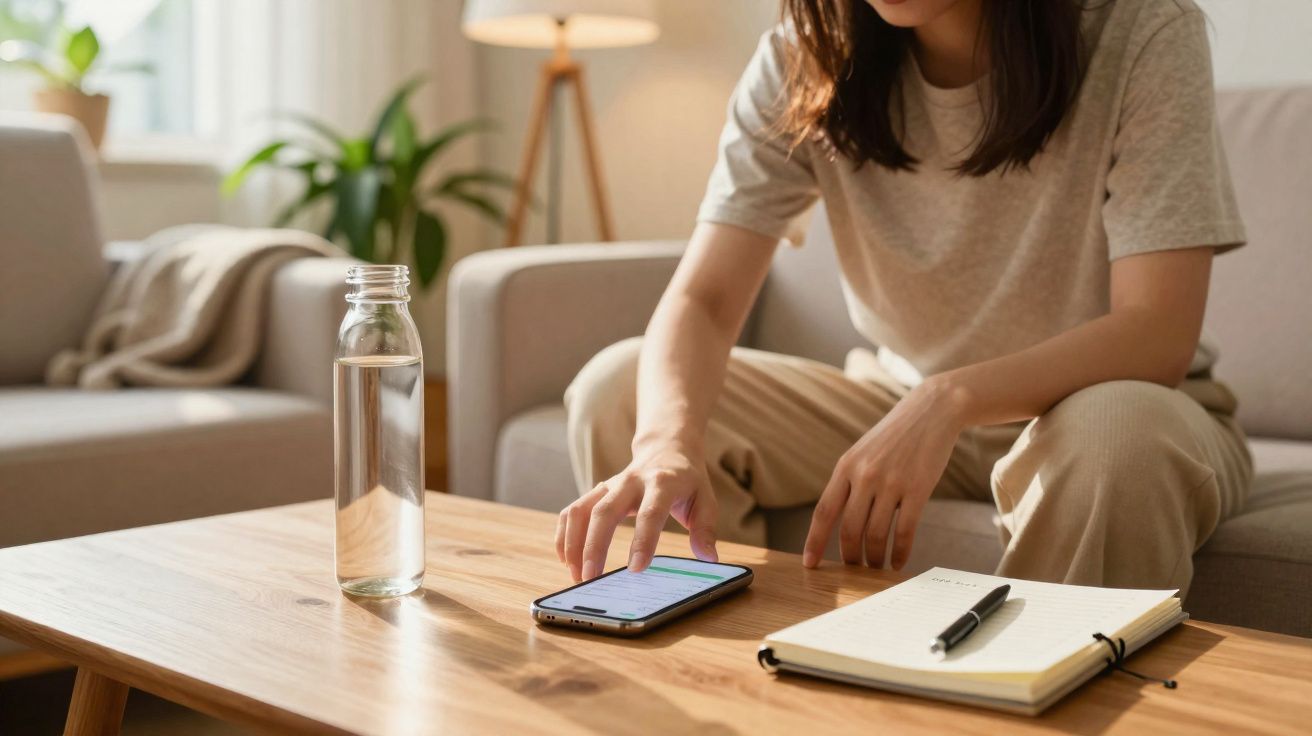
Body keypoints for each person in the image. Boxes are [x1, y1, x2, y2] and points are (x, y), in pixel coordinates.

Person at [555, 0, 1252, 598]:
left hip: (1112, 408)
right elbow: (704, 299)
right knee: (620, 388)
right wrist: (664, 445)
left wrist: (947, 401)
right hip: (901, 401)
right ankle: (740, 697)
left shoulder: (1143, 30)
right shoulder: (807, 58)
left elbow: (1156, 333)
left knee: (1113, 440)